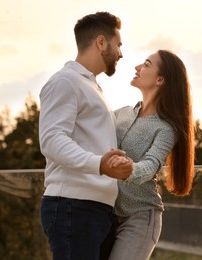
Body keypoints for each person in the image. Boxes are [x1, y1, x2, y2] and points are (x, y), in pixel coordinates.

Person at [39, 12, 133, 260]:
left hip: (94, 209)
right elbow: (51, 140)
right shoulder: (65, 81)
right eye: (119, 44)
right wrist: (100, 164)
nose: (121, 53)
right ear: (101, 42)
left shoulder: (90, 86)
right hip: (74, 206)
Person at [100, 50, 195, 260]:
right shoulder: (121, 113)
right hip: (107, 214)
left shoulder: (166, 128)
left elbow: (151, 164)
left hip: (141, 218)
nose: (137, 67)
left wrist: (129, 169)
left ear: (160, 79)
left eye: (146, 64)